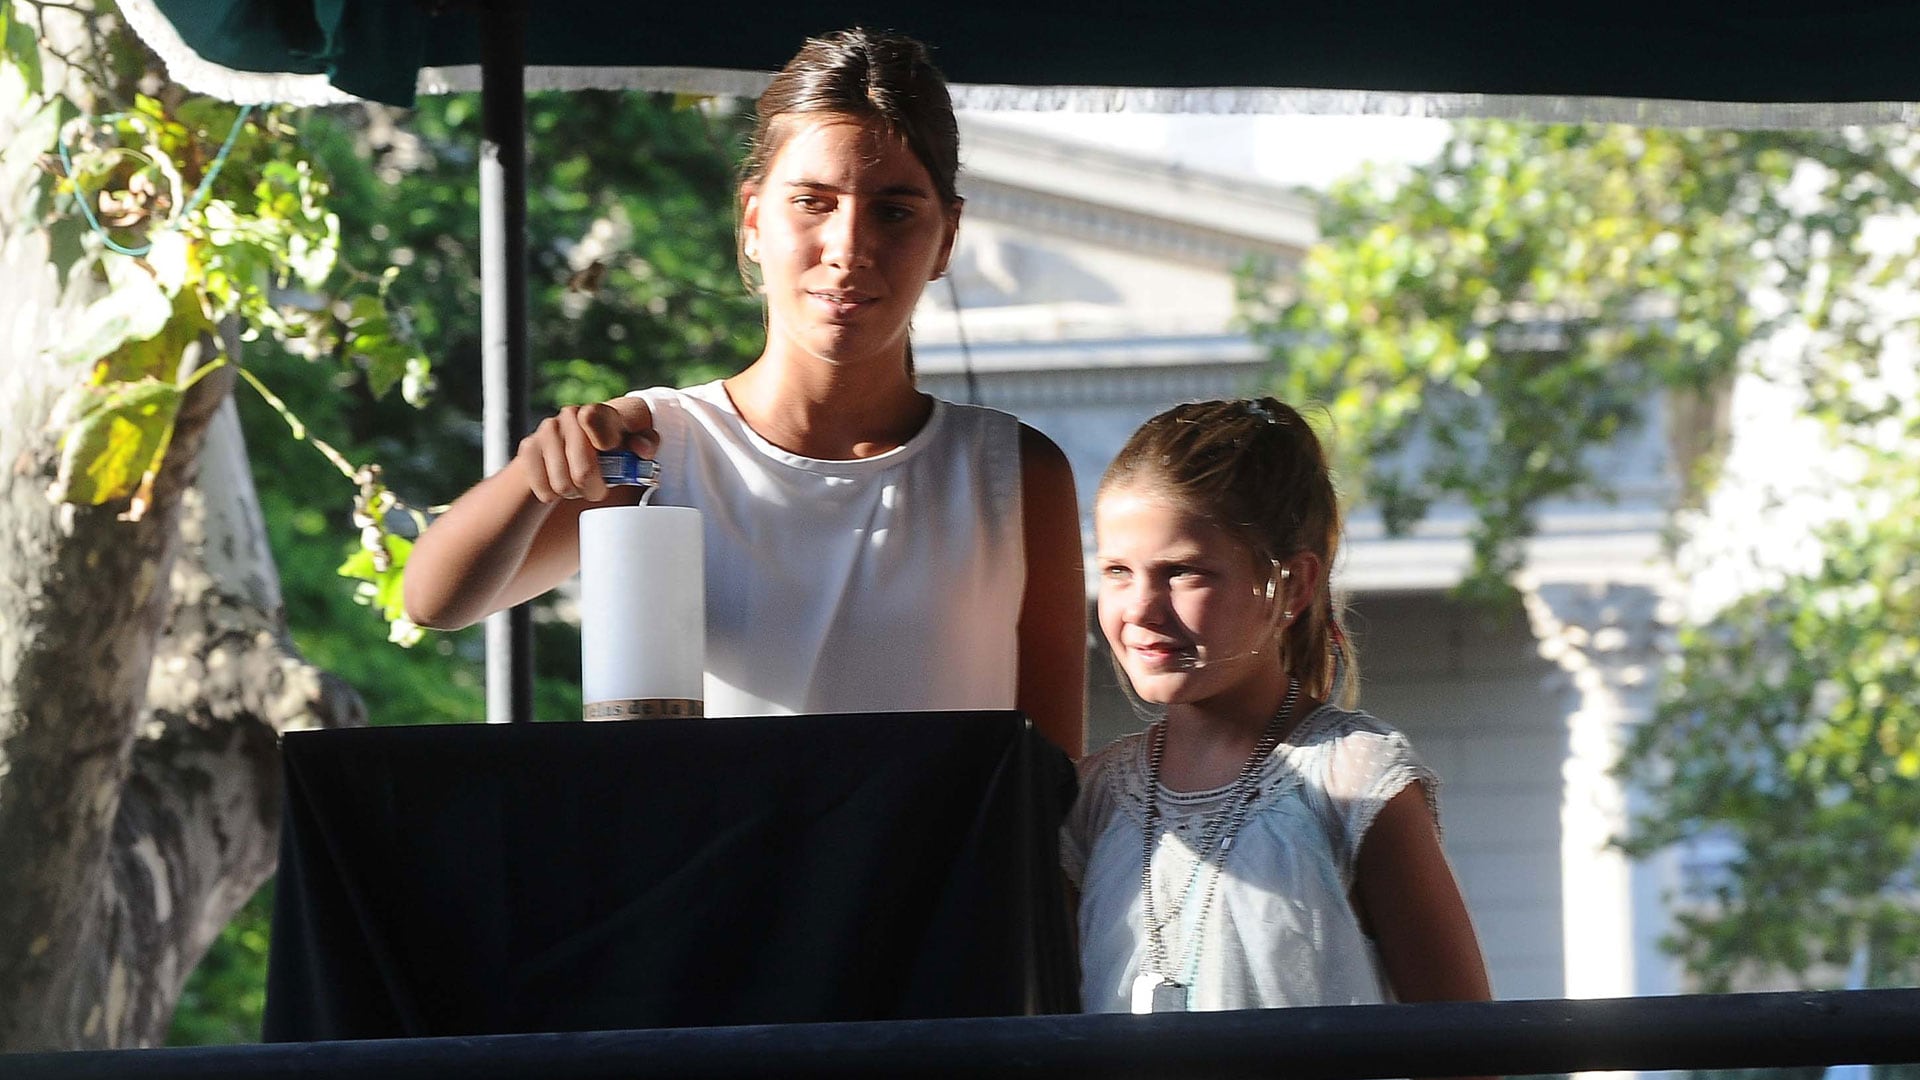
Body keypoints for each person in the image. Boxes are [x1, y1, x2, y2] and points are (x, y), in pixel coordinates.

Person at [402, 28, 1086, 757]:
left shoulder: (1013, 473)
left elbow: (1053, 780)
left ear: (946, 237)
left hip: (941, 873)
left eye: (894, 210)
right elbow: (437, 600)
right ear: (754, 220)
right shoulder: (656, 445)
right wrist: (535, 477)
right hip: (718, 869)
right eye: (813, 202)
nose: (850, 247)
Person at [1063, 398, 1491, 1014]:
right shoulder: (1092, 799)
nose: (1141, 609)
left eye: (1183, 572)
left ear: (1293, 584)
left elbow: (1466, 1049)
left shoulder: (1355, 782)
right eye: (1118, 571)